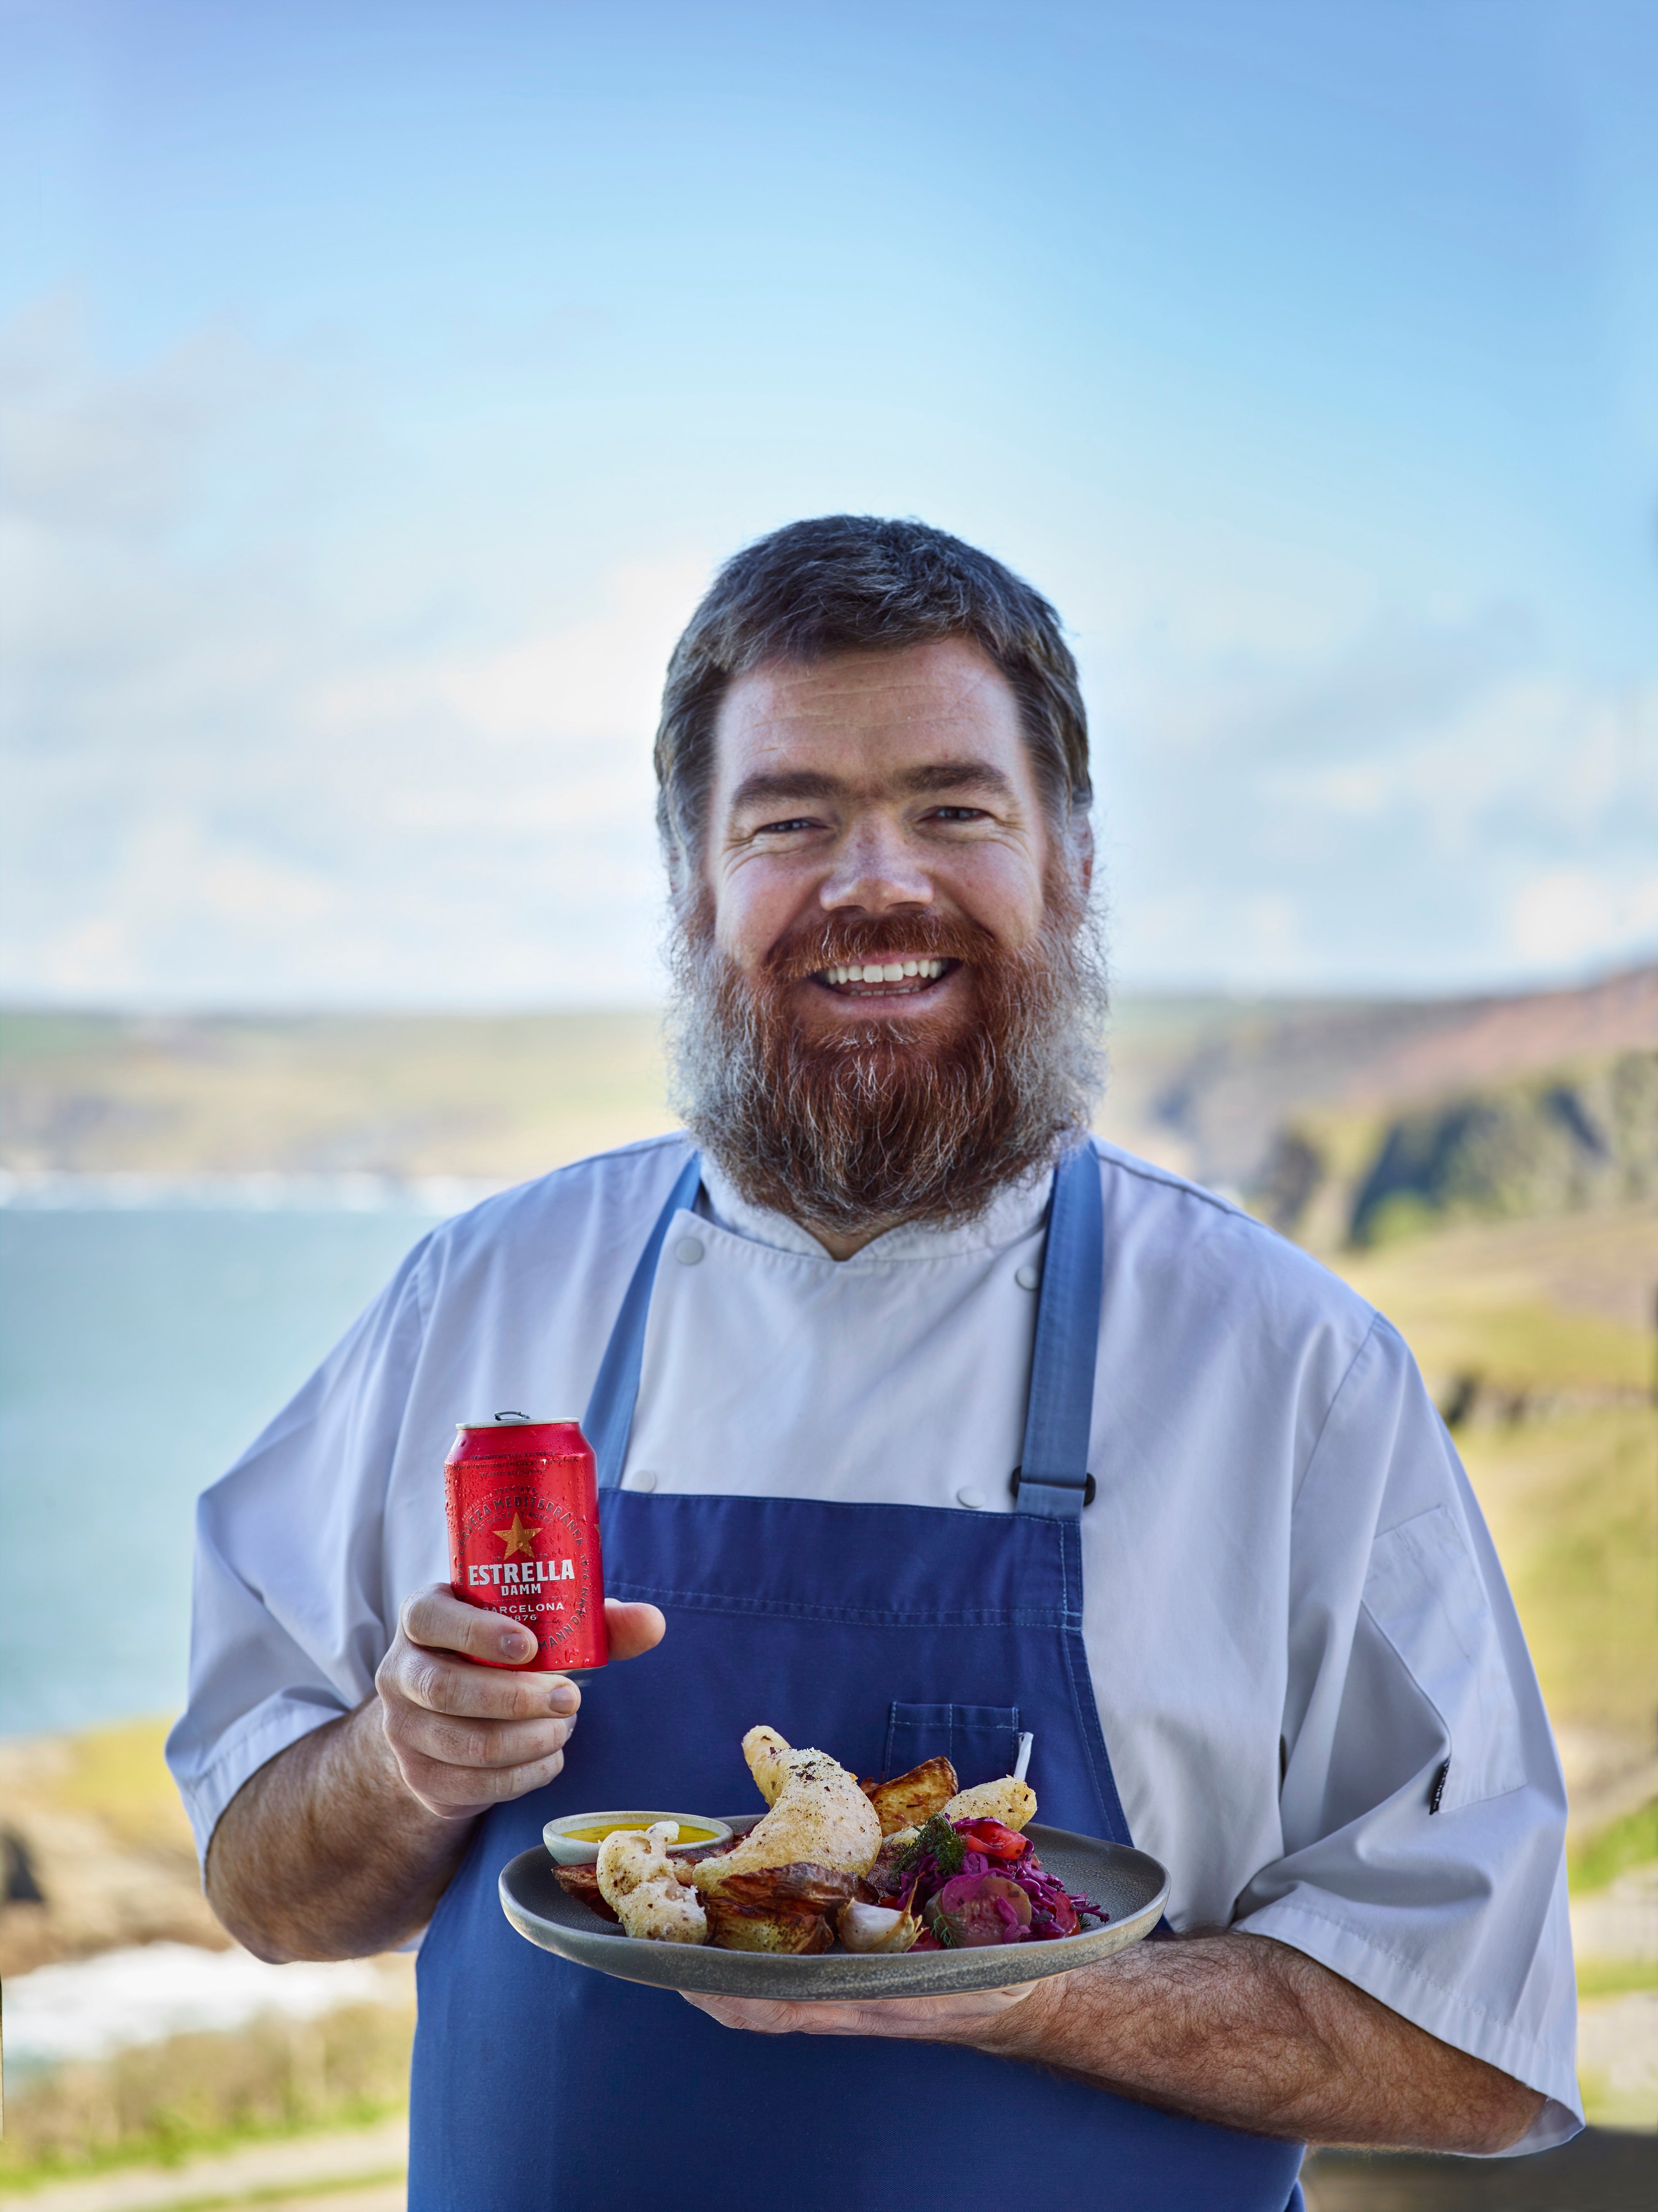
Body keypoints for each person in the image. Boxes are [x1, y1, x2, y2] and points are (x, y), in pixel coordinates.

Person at [167, 517, 1579, 2210]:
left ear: (1069, 864)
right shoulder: (477, 1296)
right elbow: (266, 1892)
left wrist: (1023, 1983)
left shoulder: (1286, 1369)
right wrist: (399, 1764)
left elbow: (1476, 2044)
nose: (875, 883)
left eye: (952, 809)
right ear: (694, 882)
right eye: (791, 822)